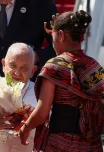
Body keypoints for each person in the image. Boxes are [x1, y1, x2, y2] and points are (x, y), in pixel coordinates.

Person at [19, 10, 104, 152]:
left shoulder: (54, 66)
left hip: (60, 144)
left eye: (52, 39)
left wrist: (25, 128)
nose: (53, 44)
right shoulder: (94, 67)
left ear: (61, 35)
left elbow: (42, 113)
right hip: (91, 145)